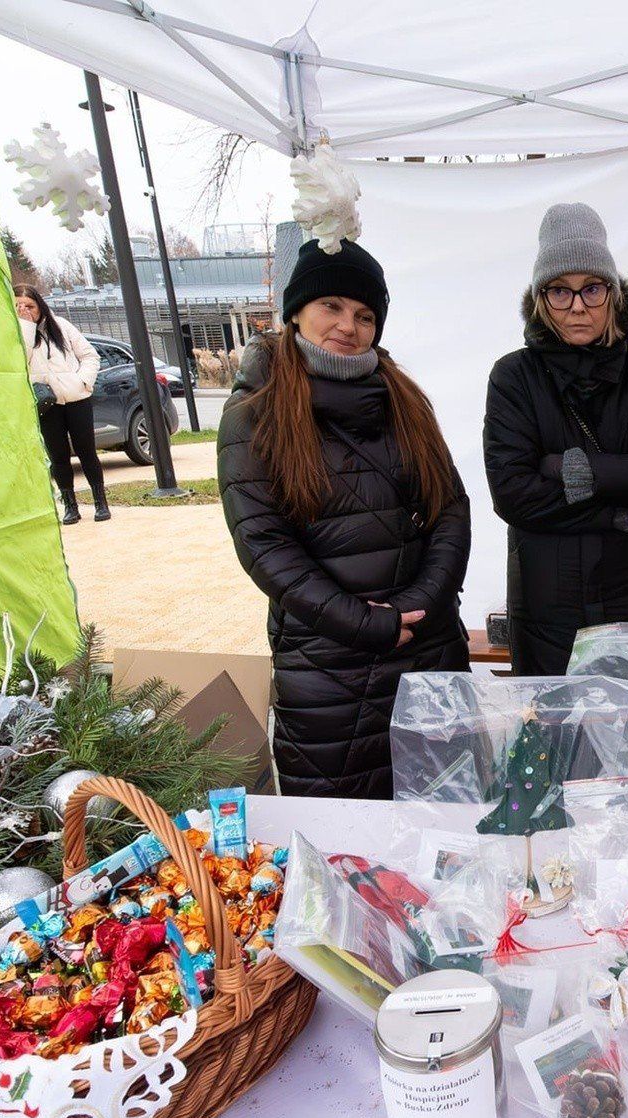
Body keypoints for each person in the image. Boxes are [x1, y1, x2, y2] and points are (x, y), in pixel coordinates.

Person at [218, 240, 472, 798]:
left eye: (363, 315)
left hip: (429, 650)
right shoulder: (255, 414)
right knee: (344, 851)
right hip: (327, 668)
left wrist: (420, 602)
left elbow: (450, 508)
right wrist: (363, 622)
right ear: (296, 312)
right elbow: (264, 545)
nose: (347, 326)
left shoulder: (405, 399)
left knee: (447, 833)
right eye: (330, 305)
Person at [483, 203, 628, 676]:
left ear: (613, 294)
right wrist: (620, 505)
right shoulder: (514, 377)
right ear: (542, 297)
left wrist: (569, 469)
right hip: (545, 615)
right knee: (555, 747)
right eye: (561, 291)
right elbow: (513, 495)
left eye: (591, 289)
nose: (578, 306)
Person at [14, 284, 107, 525]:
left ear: (40, 305)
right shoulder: (15, 332)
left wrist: (83, 381)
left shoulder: (61, 326)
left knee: (87, 451)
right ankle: (70, 506)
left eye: (30, 306)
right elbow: (19, 362)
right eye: (18, 306)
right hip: (47, 402)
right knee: (58, 456)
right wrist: (26, 326)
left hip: (76, 398)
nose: (25, 310)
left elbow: (90, 355)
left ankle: (100, 502)